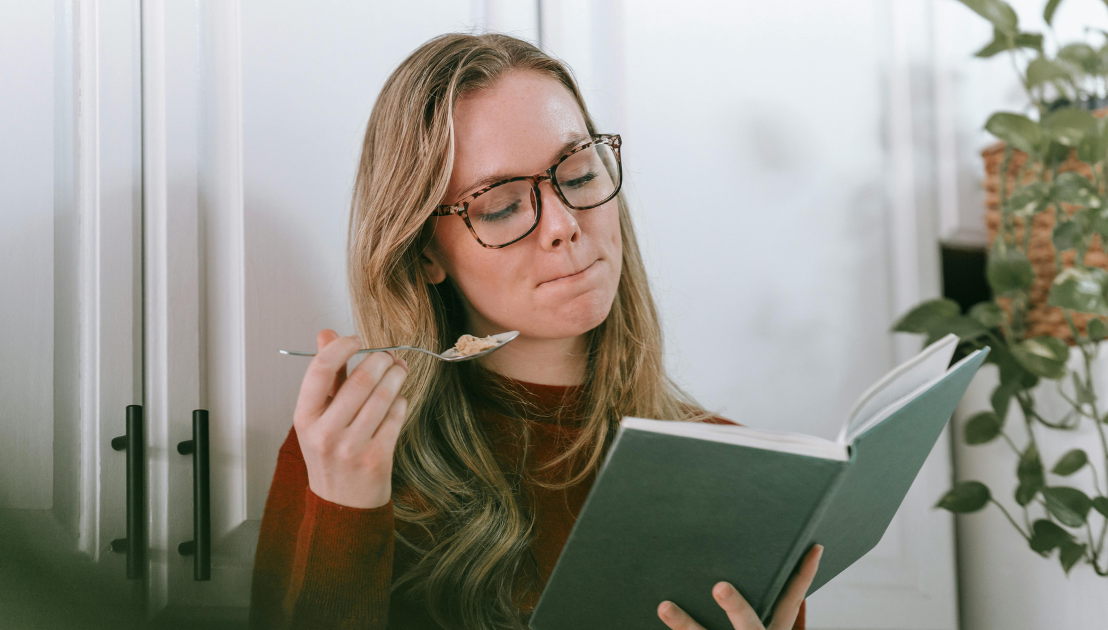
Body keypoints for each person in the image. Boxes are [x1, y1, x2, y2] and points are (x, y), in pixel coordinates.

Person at [248, 31, 823, 630]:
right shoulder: (352, 456)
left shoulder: (734, 472)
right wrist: (346, 511)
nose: (564, 225)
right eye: (500, 206)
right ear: (424, 254)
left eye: (578, 174)